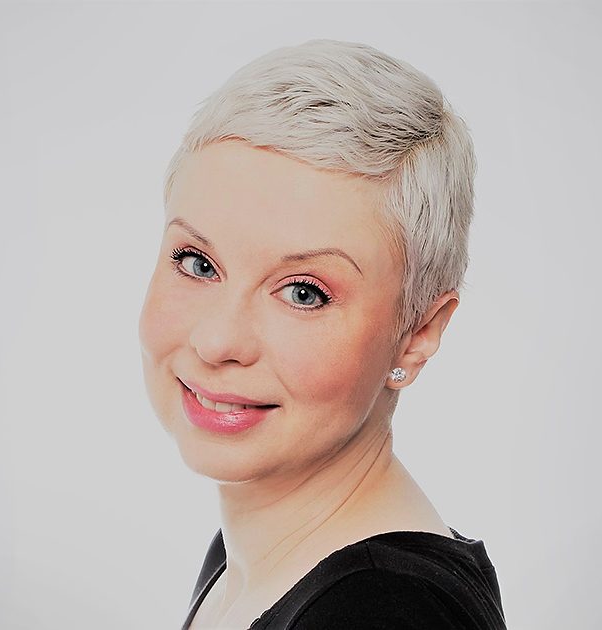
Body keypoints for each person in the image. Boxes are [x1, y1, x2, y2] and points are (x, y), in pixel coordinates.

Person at [138, 39, 506, 629]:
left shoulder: (383, 616)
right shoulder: (252, 555)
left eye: (303, 292)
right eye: (198, 263)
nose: (217, 341)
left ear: (418, 333)